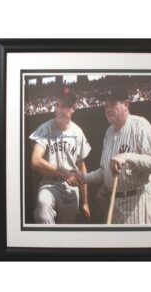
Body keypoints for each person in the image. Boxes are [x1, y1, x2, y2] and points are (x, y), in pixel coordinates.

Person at [76, 87, 151, 224]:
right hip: (115, 204)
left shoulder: (140, 126)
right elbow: (105, 171)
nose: (108, 109)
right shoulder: (109, 132)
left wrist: (127, 156)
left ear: (126, 105)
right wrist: (83, 178)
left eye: (113, 104)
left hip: (138, 201)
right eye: (106, 106)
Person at [29, 88, 91, 224]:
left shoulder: (78, 132)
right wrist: (63, 171)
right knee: (43, 205)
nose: (59, 110)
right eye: (57, 105)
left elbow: (82, 167)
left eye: (64, 106)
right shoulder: (45, 128)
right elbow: (35, 160)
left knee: (66, 231)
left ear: (73, 108)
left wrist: (85, 202)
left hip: (71, 188)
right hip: (49, 183)